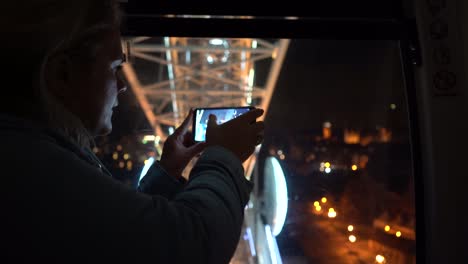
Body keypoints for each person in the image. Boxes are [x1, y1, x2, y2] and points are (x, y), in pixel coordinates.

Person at [0, 1, 265, 263]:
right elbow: (193, 244)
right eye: (115, 67)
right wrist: (223, 157)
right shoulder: (36, 168)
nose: (123, 85)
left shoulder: (28, 154)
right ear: (62, 74)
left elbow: (119, 237)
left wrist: (166, 175)